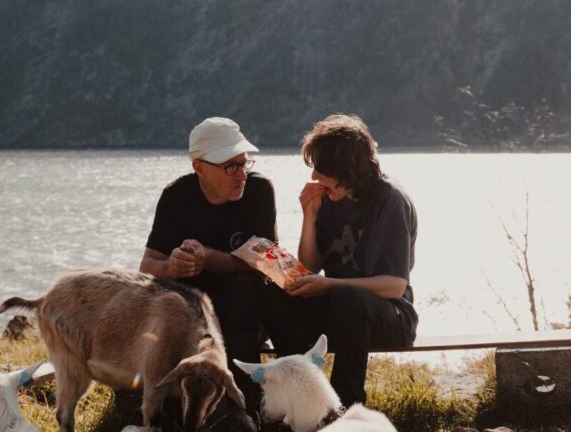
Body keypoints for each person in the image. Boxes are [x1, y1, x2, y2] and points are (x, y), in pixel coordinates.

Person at [258, 113, 417, 406]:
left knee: (349, 298)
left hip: (388, 316)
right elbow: (311, 264)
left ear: (346, 168)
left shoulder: (389, 199)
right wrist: (310, 216)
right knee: (271, 293)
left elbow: (394, 286)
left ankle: (344, 406)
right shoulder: (331, 197)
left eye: (321, 168)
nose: (315, 176)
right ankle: (303, 395)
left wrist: (328, 285)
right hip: (339, 310)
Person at [140, 116, 277, 384]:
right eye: (230, 167)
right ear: (199, 168)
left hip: (245, 318)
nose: (241, 175)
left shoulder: (259, 191)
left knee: (244, 286)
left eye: (244, 163)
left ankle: (244, 400)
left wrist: (208, 258)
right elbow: (147, 265)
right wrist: (171, 267)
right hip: (192, 316)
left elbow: (268, 265)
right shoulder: (176, 196)